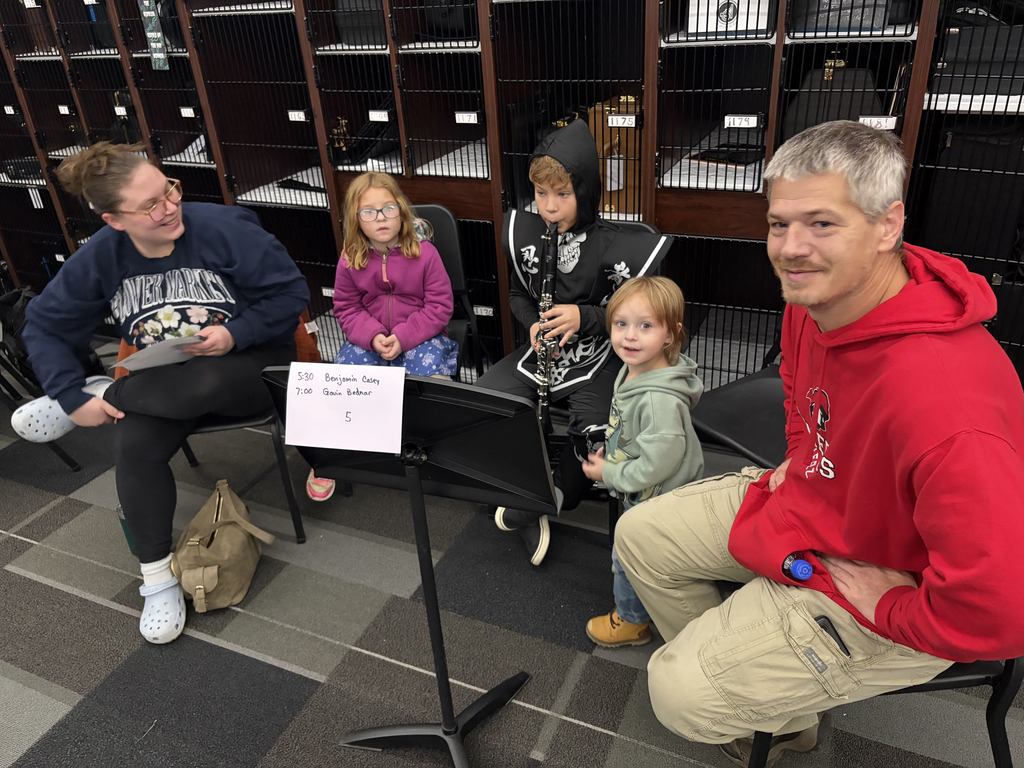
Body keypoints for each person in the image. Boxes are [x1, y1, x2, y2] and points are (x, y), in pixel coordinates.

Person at [615, 120, 1024, 767]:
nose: (791, 248)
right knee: (642, 535)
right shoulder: (813, 302)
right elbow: (802, 397)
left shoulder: (948, 408)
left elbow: (1000, 610)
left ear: (887, 225)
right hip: (822, 505)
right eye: (780, 224)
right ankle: (770, 696)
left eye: (822, 224)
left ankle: (762, 701)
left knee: (677, 692)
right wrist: (802, 461)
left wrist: (890, 606)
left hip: (901, 582)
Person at [10, 142, 310, 646]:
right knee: (133, 447)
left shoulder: (225, 228)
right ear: (113, 219)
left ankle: (109, 392)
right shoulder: (102, 256)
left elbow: (291, 294)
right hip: (163, 384)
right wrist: (67, 391)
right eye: (149, 205)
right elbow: (43, 324)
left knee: (206, 379)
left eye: (167, 189)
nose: (169, 207)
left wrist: (235, 334)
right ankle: (156, 578)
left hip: (250, 367)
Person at [480, 118, 672, 566]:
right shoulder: (531, 234)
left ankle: (553, 498)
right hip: (544, 349)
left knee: (590, 429)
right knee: (490, 399)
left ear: (585, 192)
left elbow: (639, 317)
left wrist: (583, 316)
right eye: (541, 194)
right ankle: (526, 483)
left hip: (601, 354)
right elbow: (515, 295)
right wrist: (531, 322)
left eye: (562, 195)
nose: (549, 207)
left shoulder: (612, 244)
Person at [303, 171, 457, 502]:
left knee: (427, 383)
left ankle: (427, 447)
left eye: (388, 208)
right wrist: (372, 337)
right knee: (342, 380)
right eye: (369, 212)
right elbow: (345, 308)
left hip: (420, 335)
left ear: (401, 210)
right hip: (369, 338)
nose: (381, 218)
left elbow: (440, 308)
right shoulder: (350, 257)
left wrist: (402, 337)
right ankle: (330, 453)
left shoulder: (425, 253)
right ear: (356, 220)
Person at [579, 276, 704, 648]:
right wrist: (615, 452)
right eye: (621, 324)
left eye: (645, 326)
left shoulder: (657, 400)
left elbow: (656, 465)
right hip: (651, 489)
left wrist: (611, 472)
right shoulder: (638, 369)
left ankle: (632, 621)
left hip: (661, 496)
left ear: (670, 334)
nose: (630, 336)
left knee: (627, 557)